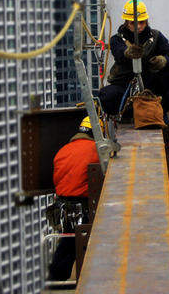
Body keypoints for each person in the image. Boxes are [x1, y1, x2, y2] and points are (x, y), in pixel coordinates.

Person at [98, 0, 169, 118]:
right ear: (126, 22)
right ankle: (129, 113)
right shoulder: (117, 39)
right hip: (125, 82)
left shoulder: (155, 37)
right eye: (134, 23)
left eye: (142, 22)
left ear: (146, 21)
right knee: (107, 96)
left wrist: (164, 60)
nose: (139, 26)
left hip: (149, 82)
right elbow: (119, 52)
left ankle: (159, 110)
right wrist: (128, 53)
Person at [47, 116, 102, 282]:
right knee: (80, 246)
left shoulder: (64, 150)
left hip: (63, 208)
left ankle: (56, 279)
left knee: (68, 243)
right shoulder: (96, 150)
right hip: (83, 208)